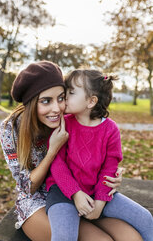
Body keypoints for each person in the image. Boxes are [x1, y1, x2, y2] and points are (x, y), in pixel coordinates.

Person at [0, 60, 144, 241]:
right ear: (31, 102)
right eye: (46, 101)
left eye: (61, 97)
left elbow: (97, 147)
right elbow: (26, 187)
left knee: (132, 237)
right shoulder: (11, 129)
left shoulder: (69, 118)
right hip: (39, 200)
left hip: (81, 190)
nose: (57, 108)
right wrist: (53, 150)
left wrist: (111, 175)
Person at [45, 68, 153, 241]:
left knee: (145, 218)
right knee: (64, 236)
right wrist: (76, 193)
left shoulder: (110, 130)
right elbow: (57, 164)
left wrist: (100, 203)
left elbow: (110, 167)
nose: (64, 97)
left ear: (91, 101)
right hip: (63, 192)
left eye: (71, 92)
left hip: (97, 191)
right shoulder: (64, 124)